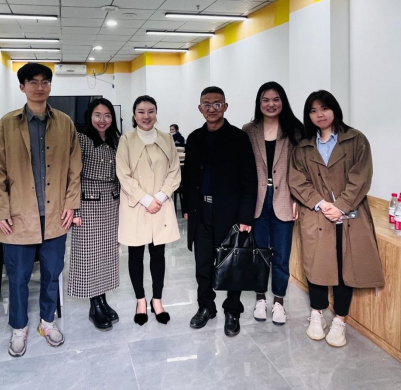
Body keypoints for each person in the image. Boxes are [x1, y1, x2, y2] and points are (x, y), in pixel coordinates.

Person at [0, 63, 81, 357]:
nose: (40, 87)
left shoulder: (65, 123)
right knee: (18, 277)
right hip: (18, 216)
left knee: (52, 273)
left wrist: (71, 203)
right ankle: (19, 327)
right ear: (22, 87)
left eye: (45, 82)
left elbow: (74, 168)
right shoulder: (7, 124)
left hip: (55, 215)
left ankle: (47, 322)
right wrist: (0, 211)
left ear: (50, 86)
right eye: (33, 82)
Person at [289, 90, 384, 347]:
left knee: (345, 269)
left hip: (349, 216)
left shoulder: (356, 140)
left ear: (334, 110)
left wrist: (340, 206)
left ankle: (340, 320)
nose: (319, 114)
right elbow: (297, 180)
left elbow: (361, 176)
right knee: (317, 266)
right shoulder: (304, 146)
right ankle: (316, 314)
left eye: (324, 108)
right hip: (317, 215)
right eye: (313, 110)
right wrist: (322, 204)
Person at [182, 86, 257, 337]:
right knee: (203, 263)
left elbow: (249, 180)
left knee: (232, 262)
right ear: (200, 108)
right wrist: (187, 208)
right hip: (201, 211)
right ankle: (206, 306)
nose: (212, 109)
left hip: (230, 212)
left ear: (225, 106)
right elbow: (188, 176)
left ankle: (232, 309)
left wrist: (245, 216)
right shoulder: (194, 138)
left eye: (217, 104)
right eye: (206, 104)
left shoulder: (238, 137)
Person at [242, 82, 304, 325]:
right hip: (257, 199)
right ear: (259, 103)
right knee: (259, 253)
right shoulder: (249, 130)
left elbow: (301, 168)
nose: (271, 104)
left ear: (283, 101)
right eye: (265, 99)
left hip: (285, 198)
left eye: (276, 99)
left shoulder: (294, 130)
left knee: (281, 253)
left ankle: (279, 301)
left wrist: (297, 198)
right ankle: (260, 299)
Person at [116, 95, 181, 326]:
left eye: (151, 111)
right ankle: (141, 301)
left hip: (160, 206)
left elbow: (174, 171)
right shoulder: (126, 140)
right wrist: (145, 199)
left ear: (156, 113)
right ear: (134, 115)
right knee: (135, 255)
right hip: (136, 206)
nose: (146, 116)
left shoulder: (166, 138)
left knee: (158, 255)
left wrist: (160, 197)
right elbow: (123, 174)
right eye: (141, 112)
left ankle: (157, 300)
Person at [68, 98, 121, 331]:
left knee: (107, 254)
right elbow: (72, 176)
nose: (102, 120)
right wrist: (75, 209)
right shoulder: (81, 139)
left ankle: (103, 300)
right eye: (98, 115)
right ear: (90, 116)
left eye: (107, 115)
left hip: (112, 203)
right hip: (87, 203)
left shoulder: (116, 140)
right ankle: (94, 305)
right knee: (89, 255)